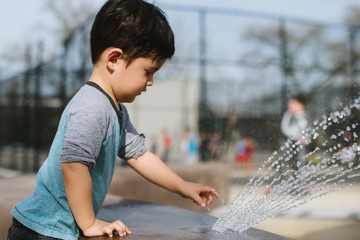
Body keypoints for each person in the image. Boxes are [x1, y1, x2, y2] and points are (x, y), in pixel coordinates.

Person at [7, 1, 220, 239]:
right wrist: (89, 223)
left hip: (54, 229)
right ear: (114, 59)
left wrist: (183, 186)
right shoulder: (92, 106)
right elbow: (73, 165)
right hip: (42, 230)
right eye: (148, 71)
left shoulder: (114, 108)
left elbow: (139, 155)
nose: (150, 82)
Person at [281, 94, 308, 173]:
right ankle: (284, 177)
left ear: (302, 105)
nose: (290, 106)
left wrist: (306, 137)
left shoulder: (305, 116)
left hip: (300, 143)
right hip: (288, 142)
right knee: (286, 161)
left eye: (293, 103)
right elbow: (285, 128)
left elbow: (308, 128)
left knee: (299, 161)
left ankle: (298, 178)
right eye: (289, 104)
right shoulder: (288, 115)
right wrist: (294, 137)